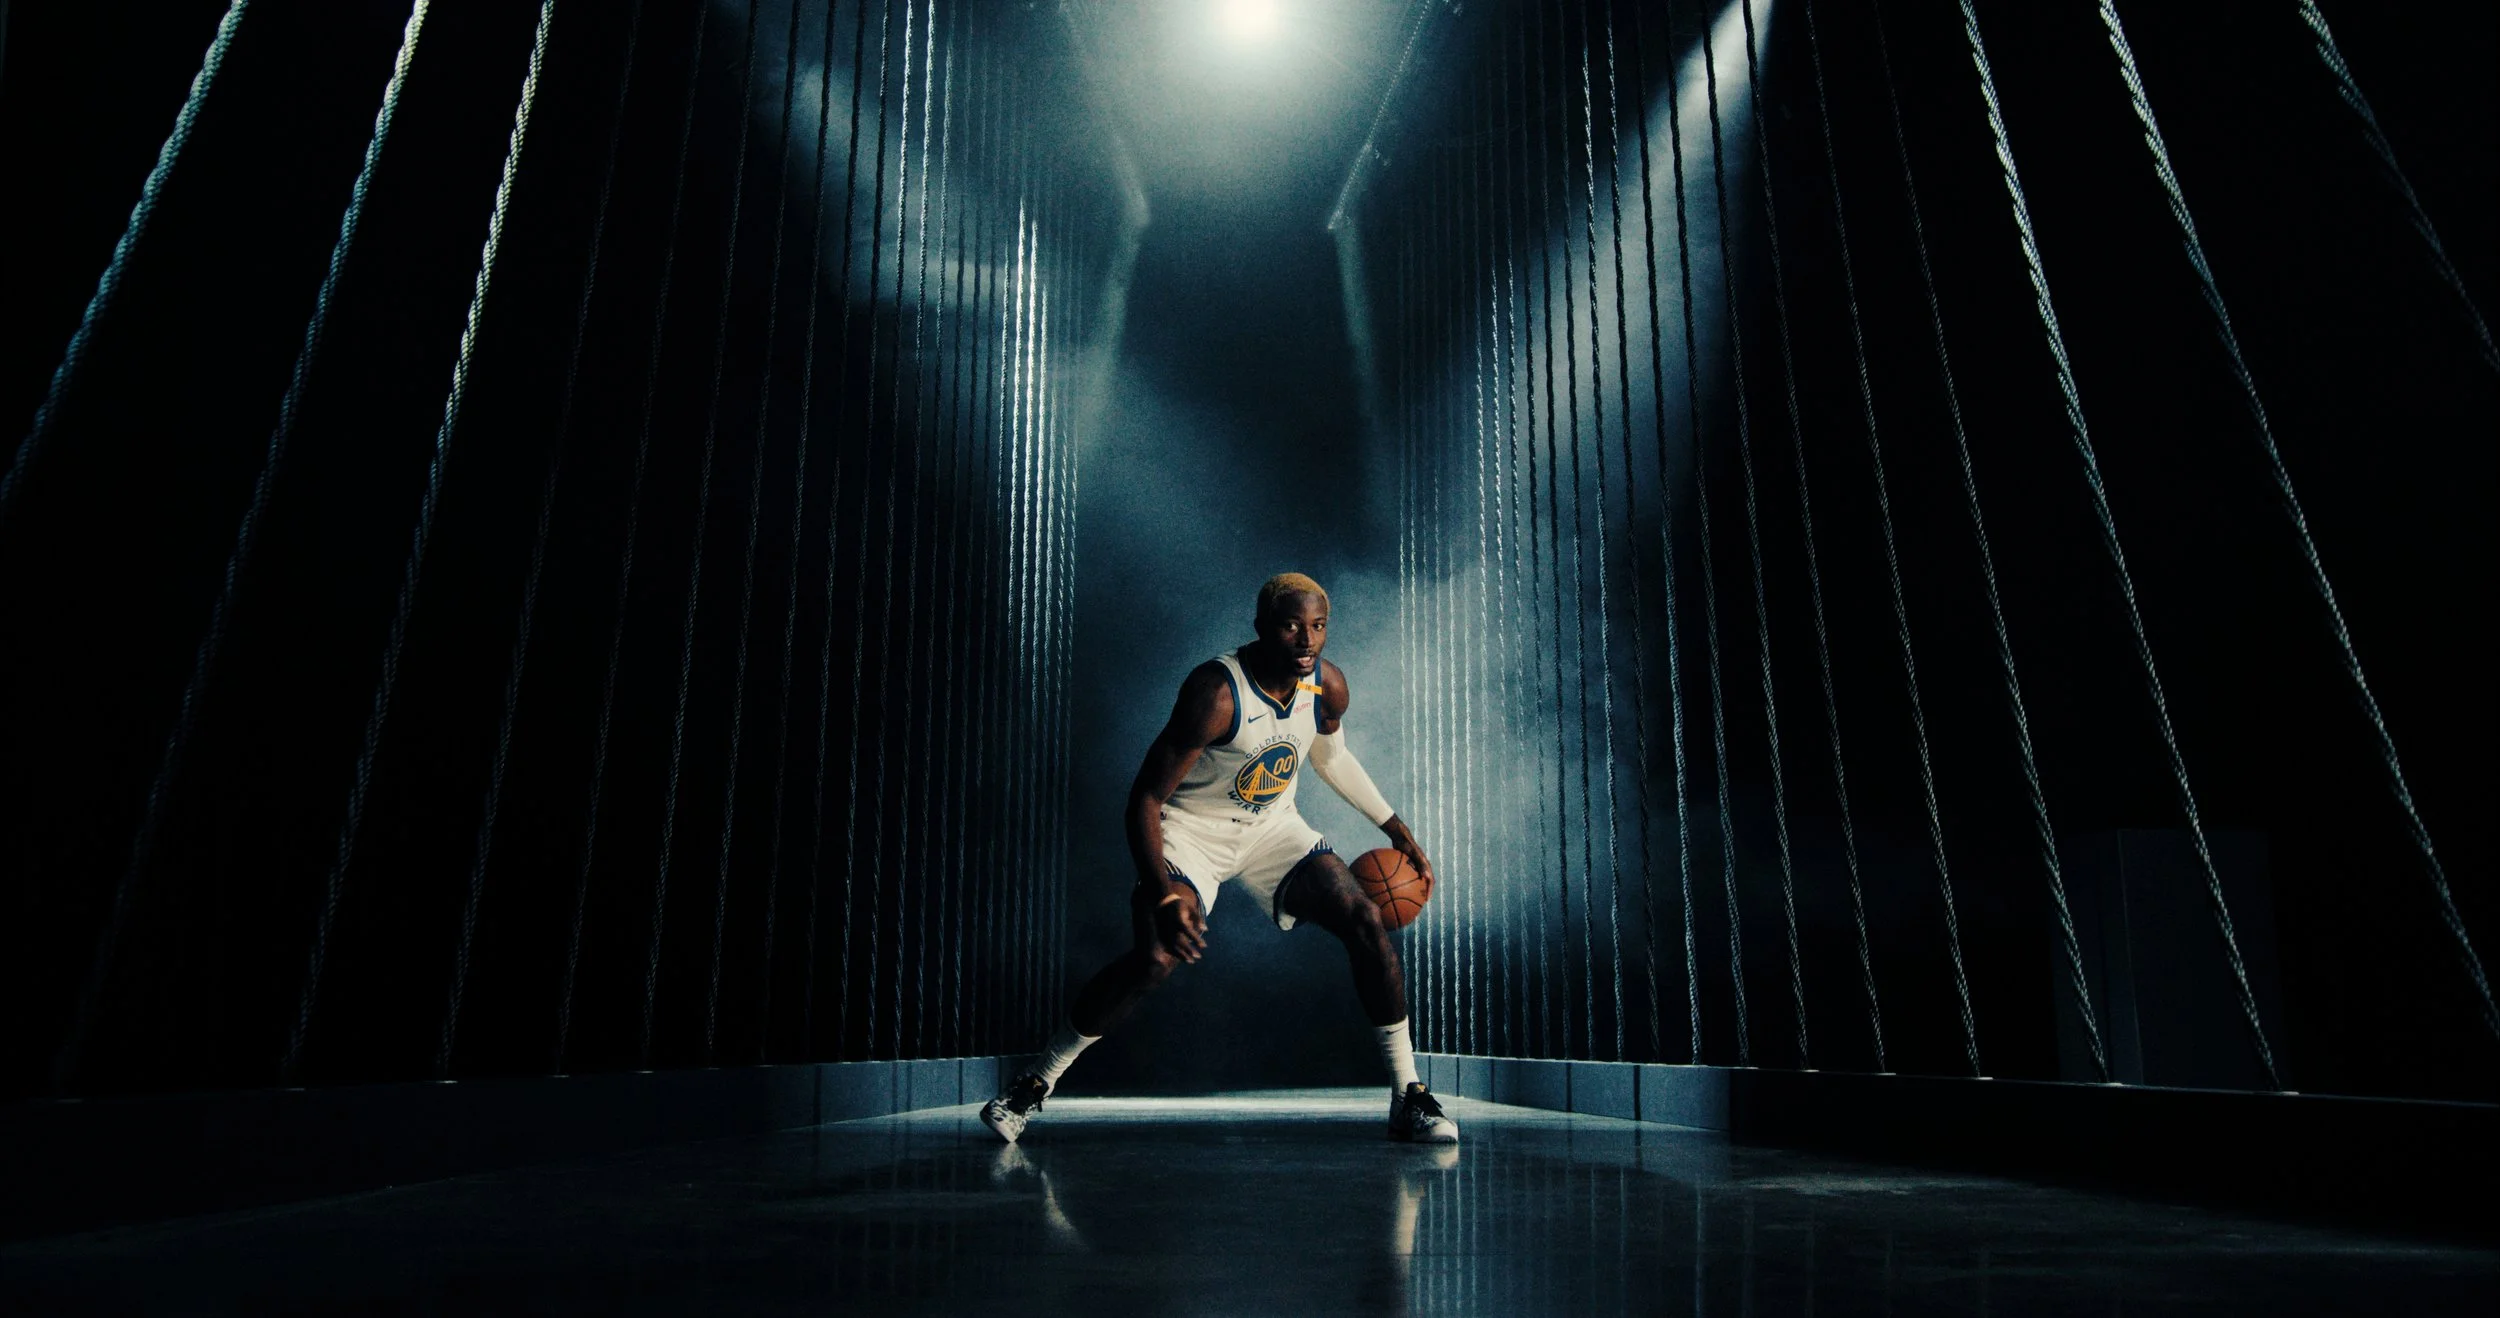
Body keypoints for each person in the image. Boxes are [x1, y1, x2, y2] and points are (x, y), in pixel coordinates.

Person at [981, 573, 1455, 1143]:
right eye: (1292, 626)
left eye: (1319, 627)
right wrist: (1161, 892)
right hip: (1191, 834)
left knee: (1365, 918)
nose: (1307, 640)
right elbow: (1147, 799)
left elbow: (1332, 757)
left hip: (1271, 829)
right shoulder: (1217, 692)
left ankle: (1408, 1094)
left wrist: (1395, 827)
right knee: (1155, 959)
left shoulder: (1324, 685)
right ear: (1261, 628)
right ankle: (1033, 1083)